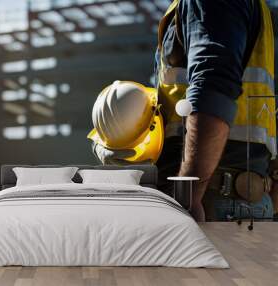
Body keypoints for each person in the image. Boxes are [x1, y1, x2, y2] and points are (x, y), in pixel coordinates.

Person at [91, 0, 276, 222]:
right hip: (241, 201)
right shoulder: (258, 12)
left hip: (208, 201)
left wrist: (188, 196)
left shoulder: (206, 5)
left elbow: (212, 90)